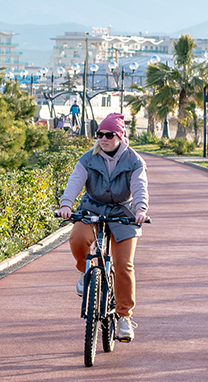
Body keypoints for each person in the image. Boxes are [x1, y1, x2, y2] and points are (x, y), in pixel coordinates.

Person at [56, 112, 148, 341]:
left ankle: (124, 317)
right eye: (99, 134)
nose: (103, 139)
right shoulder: (88, 158)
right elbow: (75, 181)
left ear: (120, 136)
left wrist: (141, 209)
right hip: (92, 208)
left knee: (124, 264)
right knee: (78, 238)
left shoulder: (134, 160)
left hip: (123, 212)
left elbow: (139, 186)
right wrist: (66, 205)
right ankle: (84, 272)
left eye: (109, 135)